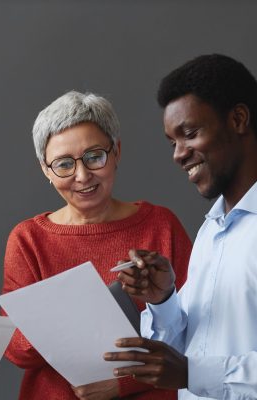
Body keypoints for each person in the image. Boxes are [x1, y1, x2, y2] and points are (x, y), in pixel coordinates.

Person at [1, 91, 192, 400]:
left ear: (116, 151)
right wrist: (78, 310)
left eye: (94, 156)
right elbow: (18, 351)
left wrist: (125, 381)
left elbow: (198, 338)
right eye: (63, 164)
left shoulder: (160, 225)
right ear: (45, 170)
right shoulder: (28, 240)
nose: (82, 175)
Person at [105, 54, 257, 399]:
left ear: (238, 119)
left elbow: (190, 368)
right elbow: (188, 344)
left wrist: (192, 372)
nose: (178, 154)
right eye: (173, 142)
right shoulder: (212, 231)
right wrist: (163, 299)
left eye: (189, 134)